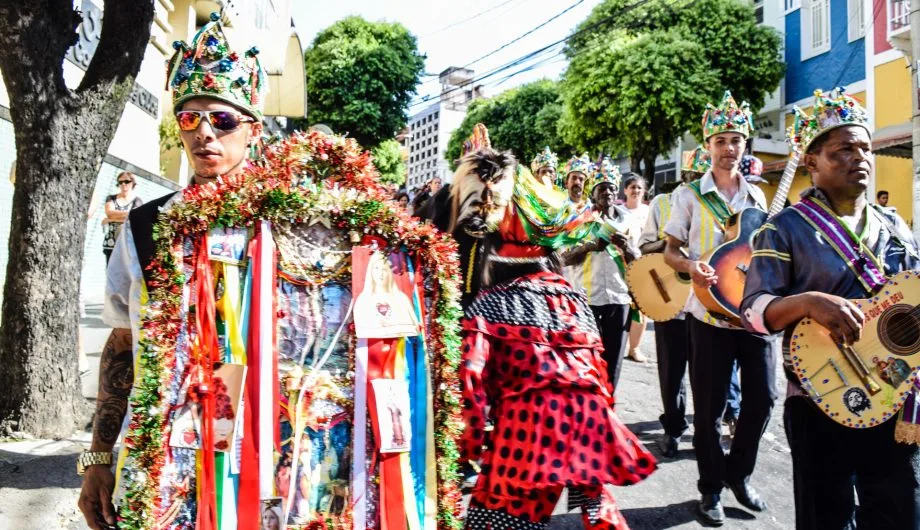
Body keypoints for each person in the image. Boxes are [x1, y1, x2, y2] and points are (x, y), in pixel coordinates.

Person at [78, 14, 265, 530]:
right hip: (163, 461)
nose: (205, 132)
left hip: (263, 464)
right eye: (190, 118)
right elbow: (121, 346)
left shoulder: (280, 227)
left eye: (222, 119)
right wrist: (97, 460)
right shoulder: (144, 226)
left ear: (254, 130)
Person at [452, 125, 656, 530]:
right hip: (589, 433)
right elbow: (597, 381)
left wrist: (462, 452)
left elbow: (470, 385)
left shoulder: (490, 305)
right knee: (599, 514)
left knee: (496, 521)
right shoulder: (574, 300)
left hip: (528, 438)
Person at [741, 88, 920, 530]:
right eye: (843, 150)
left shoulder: (896, 227)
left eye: (864, 148)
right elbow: (754, 310)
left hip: (893, 392)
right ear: (812, 163)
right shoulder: (783, 229)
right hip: (819, 398)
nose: (859, 157)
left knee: (900, 513)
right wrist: (808, 302)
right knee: (826, 517)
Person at [663, 91, 777, 525]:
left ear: (745, 146)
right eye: (721, 140)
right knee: (709, 409)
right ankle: (711, 487)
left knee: (763, 398)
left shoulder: (760, 197)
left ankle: (740, 474)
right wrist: (691, 265)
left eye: (736, 140)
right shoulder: (689, 195)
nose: (730, 148)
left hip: (753, 313)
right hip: (708, 313)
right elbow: (671, 251)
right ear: (707, 146)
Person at [638, 147, 709, 457]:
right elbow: (644, 246)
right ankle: (673, 428)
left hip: (707, 303)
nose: (699, 181)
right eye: (694, 176)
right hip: (668, 301)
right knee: (671, 371)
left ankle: (707, 430)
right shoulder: (662, 203)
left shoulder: (718, 206)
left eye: (704, 177)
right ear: (684, 176)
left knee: (708, 373)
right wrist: (672, 242)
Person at [562, 158, 638, 396]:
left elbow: (639, 257)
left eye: (611, 188)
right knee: (586, 354)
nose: (607, 192)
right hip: (587, 298)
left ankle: (608, 405)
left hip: (619, 297)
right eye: (601, 189)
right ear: (593, 194)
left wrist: (626, 248)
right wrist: (589, 247)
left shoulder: (627, 219)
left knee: (614, 359)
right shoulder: (579, 218)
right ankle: (588, 402)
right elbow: (564, 257)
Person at [622, 173, 650, 363]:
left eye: (639, 187)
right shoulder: (618, 211)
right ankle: (619, 344)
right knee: (622, 306)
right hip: (621, 265)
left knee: (641, 307)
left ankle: (635, 348)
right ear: (625, 190)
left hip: (644, 265)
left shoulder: (648, 211)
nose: (636, 191)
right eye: (632, 187)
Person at [101, 172, 143, 265]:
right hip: (111, 244)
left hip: (128, 244)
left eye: (126, 181)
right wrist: (128, 215)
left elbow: (135, 218)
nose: (123, 184)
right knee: (110, 275)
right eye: (120, 182)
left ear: (132, 183)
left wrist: (111, 219)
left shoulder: (137, 201)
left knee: (126, 275)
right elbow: (109, 213)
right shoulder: (111, 198)